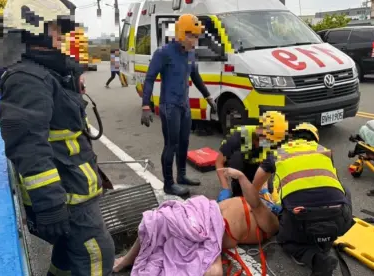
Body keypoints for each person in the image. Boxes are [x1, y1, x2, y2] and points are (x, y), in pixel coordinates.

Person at [0, 1, 115, 275]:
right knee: (97, 255)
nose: (64, 35)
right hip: (67, 198)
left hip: (74, 188)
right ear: (34, 29)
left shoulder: (49, 72)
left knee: (67, 258)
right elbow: (28, 148)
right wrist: (50, 204)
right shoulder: (27, 78)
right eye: (57, 27)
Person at [112, 166, 280, 275]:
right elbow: (260, 190)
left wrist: (242, 177)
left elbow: (255, 203)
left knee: (161, 220)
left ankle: (128, 260)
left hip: (213, 228)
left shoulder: (272, 223)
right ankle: (129, 258)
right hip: (204, 210)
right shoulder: (267, 205)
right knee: (158, 220)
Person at [251, 123, 354, 276]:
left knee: (286, 240)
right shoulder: (324, 151)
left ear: (292, 137)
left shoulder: (277, 153)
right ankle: (325, 239)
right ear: (315, 139)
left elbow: (255, 185)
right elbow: (327, 184)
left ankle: (317, 260)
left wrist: (269, 200)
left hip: (300, 220)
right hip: (339, 218)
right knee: (342, 188)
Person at [140, 14, 217, 196]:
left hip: (184, 105)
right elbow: (150, 78)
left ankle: (181, 176)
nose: (195, 41)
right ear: (182, 34)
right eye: (192, 37)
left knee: (184, 143)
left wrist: (208, 97)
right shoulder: (164, 53)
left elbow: (195, 76)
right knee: (171, 144)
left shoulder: (190, 53)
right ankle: (169, 183)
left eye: (197, 37)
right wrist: (145, 106)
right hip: (170, 106)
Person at [216, 111, 288, 202]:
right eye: (267, 139)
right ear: (259, 130)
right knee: (237, 160)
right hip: (240, 165)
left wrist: (264, 188)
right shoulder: (239, 136)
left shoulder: (271, 142)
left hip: (256, 166)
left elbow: (265, 164)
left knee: (268, 191)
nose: (268, 142)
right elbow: (219, 162)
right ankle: (237, 184)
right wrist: (225, 189)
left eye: (271, 140)